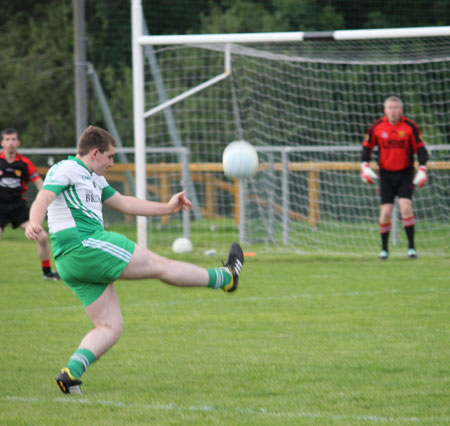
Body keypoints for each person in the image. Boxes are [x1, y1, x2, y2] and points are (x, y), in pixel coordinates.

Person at [25, 125, 244, 395]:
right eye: (110, 156)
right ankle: (226, 278)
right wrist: (34, 222)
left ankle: (71, 374)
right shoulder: (67, 169)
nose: (112, 162)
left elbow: (126, 203)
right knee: (159, 265)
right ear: (95, 152)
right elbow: (43, 196)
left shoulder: (93, 177)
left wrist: (167, 207)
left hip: (71, 262)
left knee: (110, 326)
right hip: (85, 244)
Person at [360, 96, 429, 260]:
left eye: (396, 108)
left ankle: (412, 248)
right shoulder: (376, 126)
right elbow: (366, 148)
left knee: (405, 207)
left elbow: (421, 149)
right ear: (385, 110)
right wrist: (365, 167)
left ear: (401, 110)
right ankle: (384, 250)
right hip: (385, 174)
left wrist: (422, 169)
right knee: (385, 213)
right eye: (390, 108)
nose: (393, 111)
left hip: (405, 173)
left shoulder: (410, 127)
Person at [0, 128, 60, 280]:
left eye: (13, 139)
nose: (10, 143)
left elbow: (40, 183)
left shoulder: (25, 163)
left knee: (42, 237)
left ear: (18, 142)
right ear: (2, 143)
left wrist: (48, 199)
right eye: (7, 140)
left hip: (18, 208)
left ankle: (47, 273)